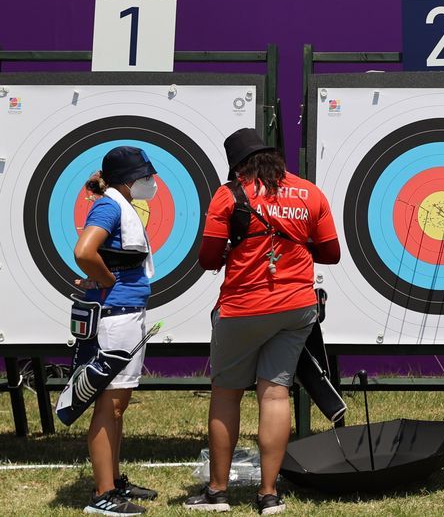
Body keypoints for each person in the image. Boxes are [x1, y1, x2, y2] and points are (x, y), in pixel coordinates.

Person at [185, 129, 340, 515]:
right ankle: (269, 494)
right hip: (296, 307)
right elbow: (331, 253)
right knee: (275, 394)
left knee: (226, 394)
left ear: (238, 166)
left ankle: (218, 492)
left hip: (242, 309)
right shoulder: (309, 193)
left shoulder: (229, 194)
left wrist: (232, 251)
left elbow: (206, 259)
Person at [73, 146, 161, 516]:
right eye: (144, 176)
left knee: (118, 406)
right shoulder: (110, 206)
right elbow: (84, 251)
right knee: (110, 406)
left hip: (124, 313)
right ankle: (103, 495)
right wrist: (108, 281)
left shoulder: (116, 202)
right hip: (116, 316)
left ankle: (112, 481)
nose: (149, 183)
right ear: (128, 180)